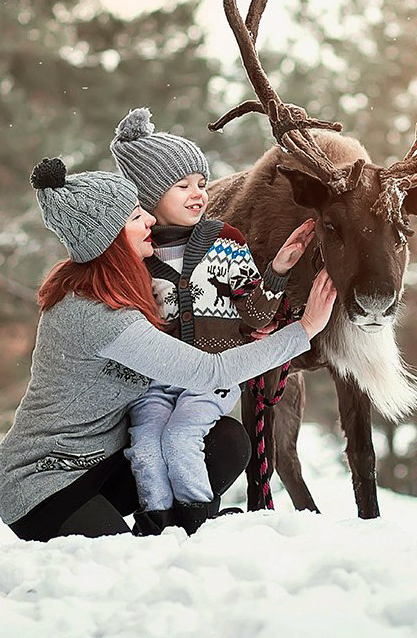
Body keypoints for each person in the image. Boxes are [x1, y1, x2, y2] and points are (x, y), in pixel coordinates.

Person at [0, 157, 336, 582]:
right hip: (45, 482)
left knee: (225, 442)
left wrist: (255, 312)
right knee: (120, 573)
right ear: (108, 237)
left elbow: (199, 329)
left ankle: (180, 533)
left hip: (103, 464)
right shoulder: (95, 312)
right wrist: (305, 329)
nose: (148, 217)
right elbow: (207, 371)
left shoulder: (129, 288)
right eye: (134, 215)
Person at [109, 108, 315, 535]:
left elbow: (255, 314)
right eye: (182, 185)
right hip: (153, 382)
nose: (198, 193)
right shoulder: (134, 258)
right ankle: (157, 526)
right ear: (148, 196)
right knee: (145, 448)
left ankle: (197, 522)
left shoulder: (225, 243)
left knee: (181, 440)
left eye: (201, 184)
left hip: (211, 377)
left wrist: (277, 269)